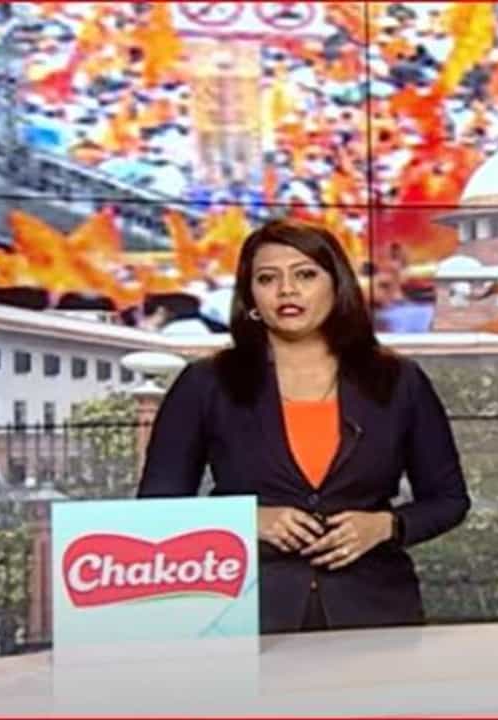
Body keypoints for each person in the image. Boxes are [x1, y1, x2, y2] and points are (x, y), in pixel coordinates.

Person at [137, 218, 471, 634]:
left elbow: (448, 499)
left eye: (305, 275)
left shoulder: (398, 381)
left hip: (375, 611)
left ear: (337, 286)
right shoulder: (206, 384)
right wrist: (248, 520)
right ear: (251, 296)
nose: (287, 290)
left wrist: (386, 526)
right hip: (245, 615)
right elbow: (157, 508)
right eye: (267, 278)